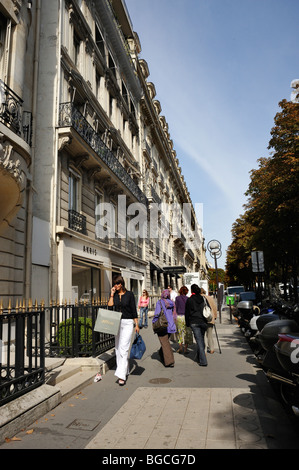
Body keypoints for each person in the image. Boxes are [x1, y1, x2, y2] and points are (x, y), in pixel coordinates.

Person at [108, 275, 139, 386]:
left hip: (128, 322)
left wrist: (136, 324)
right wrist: (112, 294)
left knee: (124, 348)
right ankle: (125, 370)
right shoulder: (114, 294)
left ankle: (121, 376)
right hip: (117, 322)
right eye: (114, 284)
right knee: (117, 348)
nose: (115, 286)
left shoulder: (130, 294)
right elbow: (110, 305)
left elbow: (133, 310)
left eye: (117, 284)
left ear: (121, 284)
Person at [185, 284, 208, 366]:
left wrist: (187, 323)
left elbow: (187, 313)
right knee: (201, 340)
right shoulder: (203, 298)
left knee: (199, 341)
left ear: (192, 291)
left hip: (194, 322)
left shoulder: (190, 300)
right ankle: (199, 356)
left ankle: (203, 361)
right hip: (203, 321)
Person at [152, 289, 176, 367]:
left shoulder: (160, 302)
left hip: (162, 324)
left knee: (164, 342)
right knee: (165, 341)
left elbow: (157, 313)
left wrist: (154, 322)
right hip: (171, 324)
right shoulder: (172, 303)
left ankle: (169, 361)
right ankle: (162, 354)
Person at [175, 286, 193, 354]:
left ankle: (180, 347)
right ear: (186, 292)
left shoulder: (177, 298)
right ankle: (185, 348)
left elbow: (176, 308)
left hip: (179, 316)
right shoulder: (188, 299)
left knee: (179, 332)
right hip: (187, 317)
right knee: (187, 332)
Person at [201, 288, 217, 354]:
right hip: (210, 318)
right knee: (209, 334)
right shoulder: (210, 298)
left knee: (203, 335)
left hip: (202, 319)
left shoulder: (199, 298)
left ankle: (204, 350)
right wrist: (215, 317)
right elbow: (214, 308)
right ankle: (211, 349)